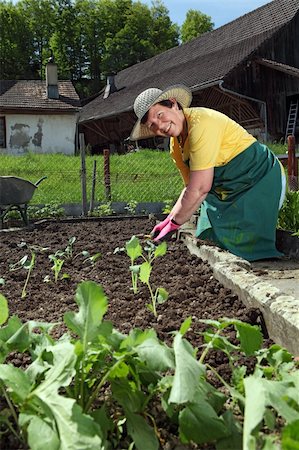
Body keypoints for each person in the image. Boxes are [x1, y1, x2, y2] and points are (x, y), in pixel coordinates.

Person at [130, 84, 286, 261]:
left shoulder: (202, 123)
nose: (160, 126)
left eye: (160, 115)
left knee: (245, 246)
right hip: (227, 192)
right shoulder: (176, 146)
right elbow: (190, 187)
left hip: (259, 180)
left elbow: (200, 188)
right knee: (209, 238)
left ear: (173, 104)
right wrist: (169, 219)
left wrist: (175, 224)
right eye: (153, 125)